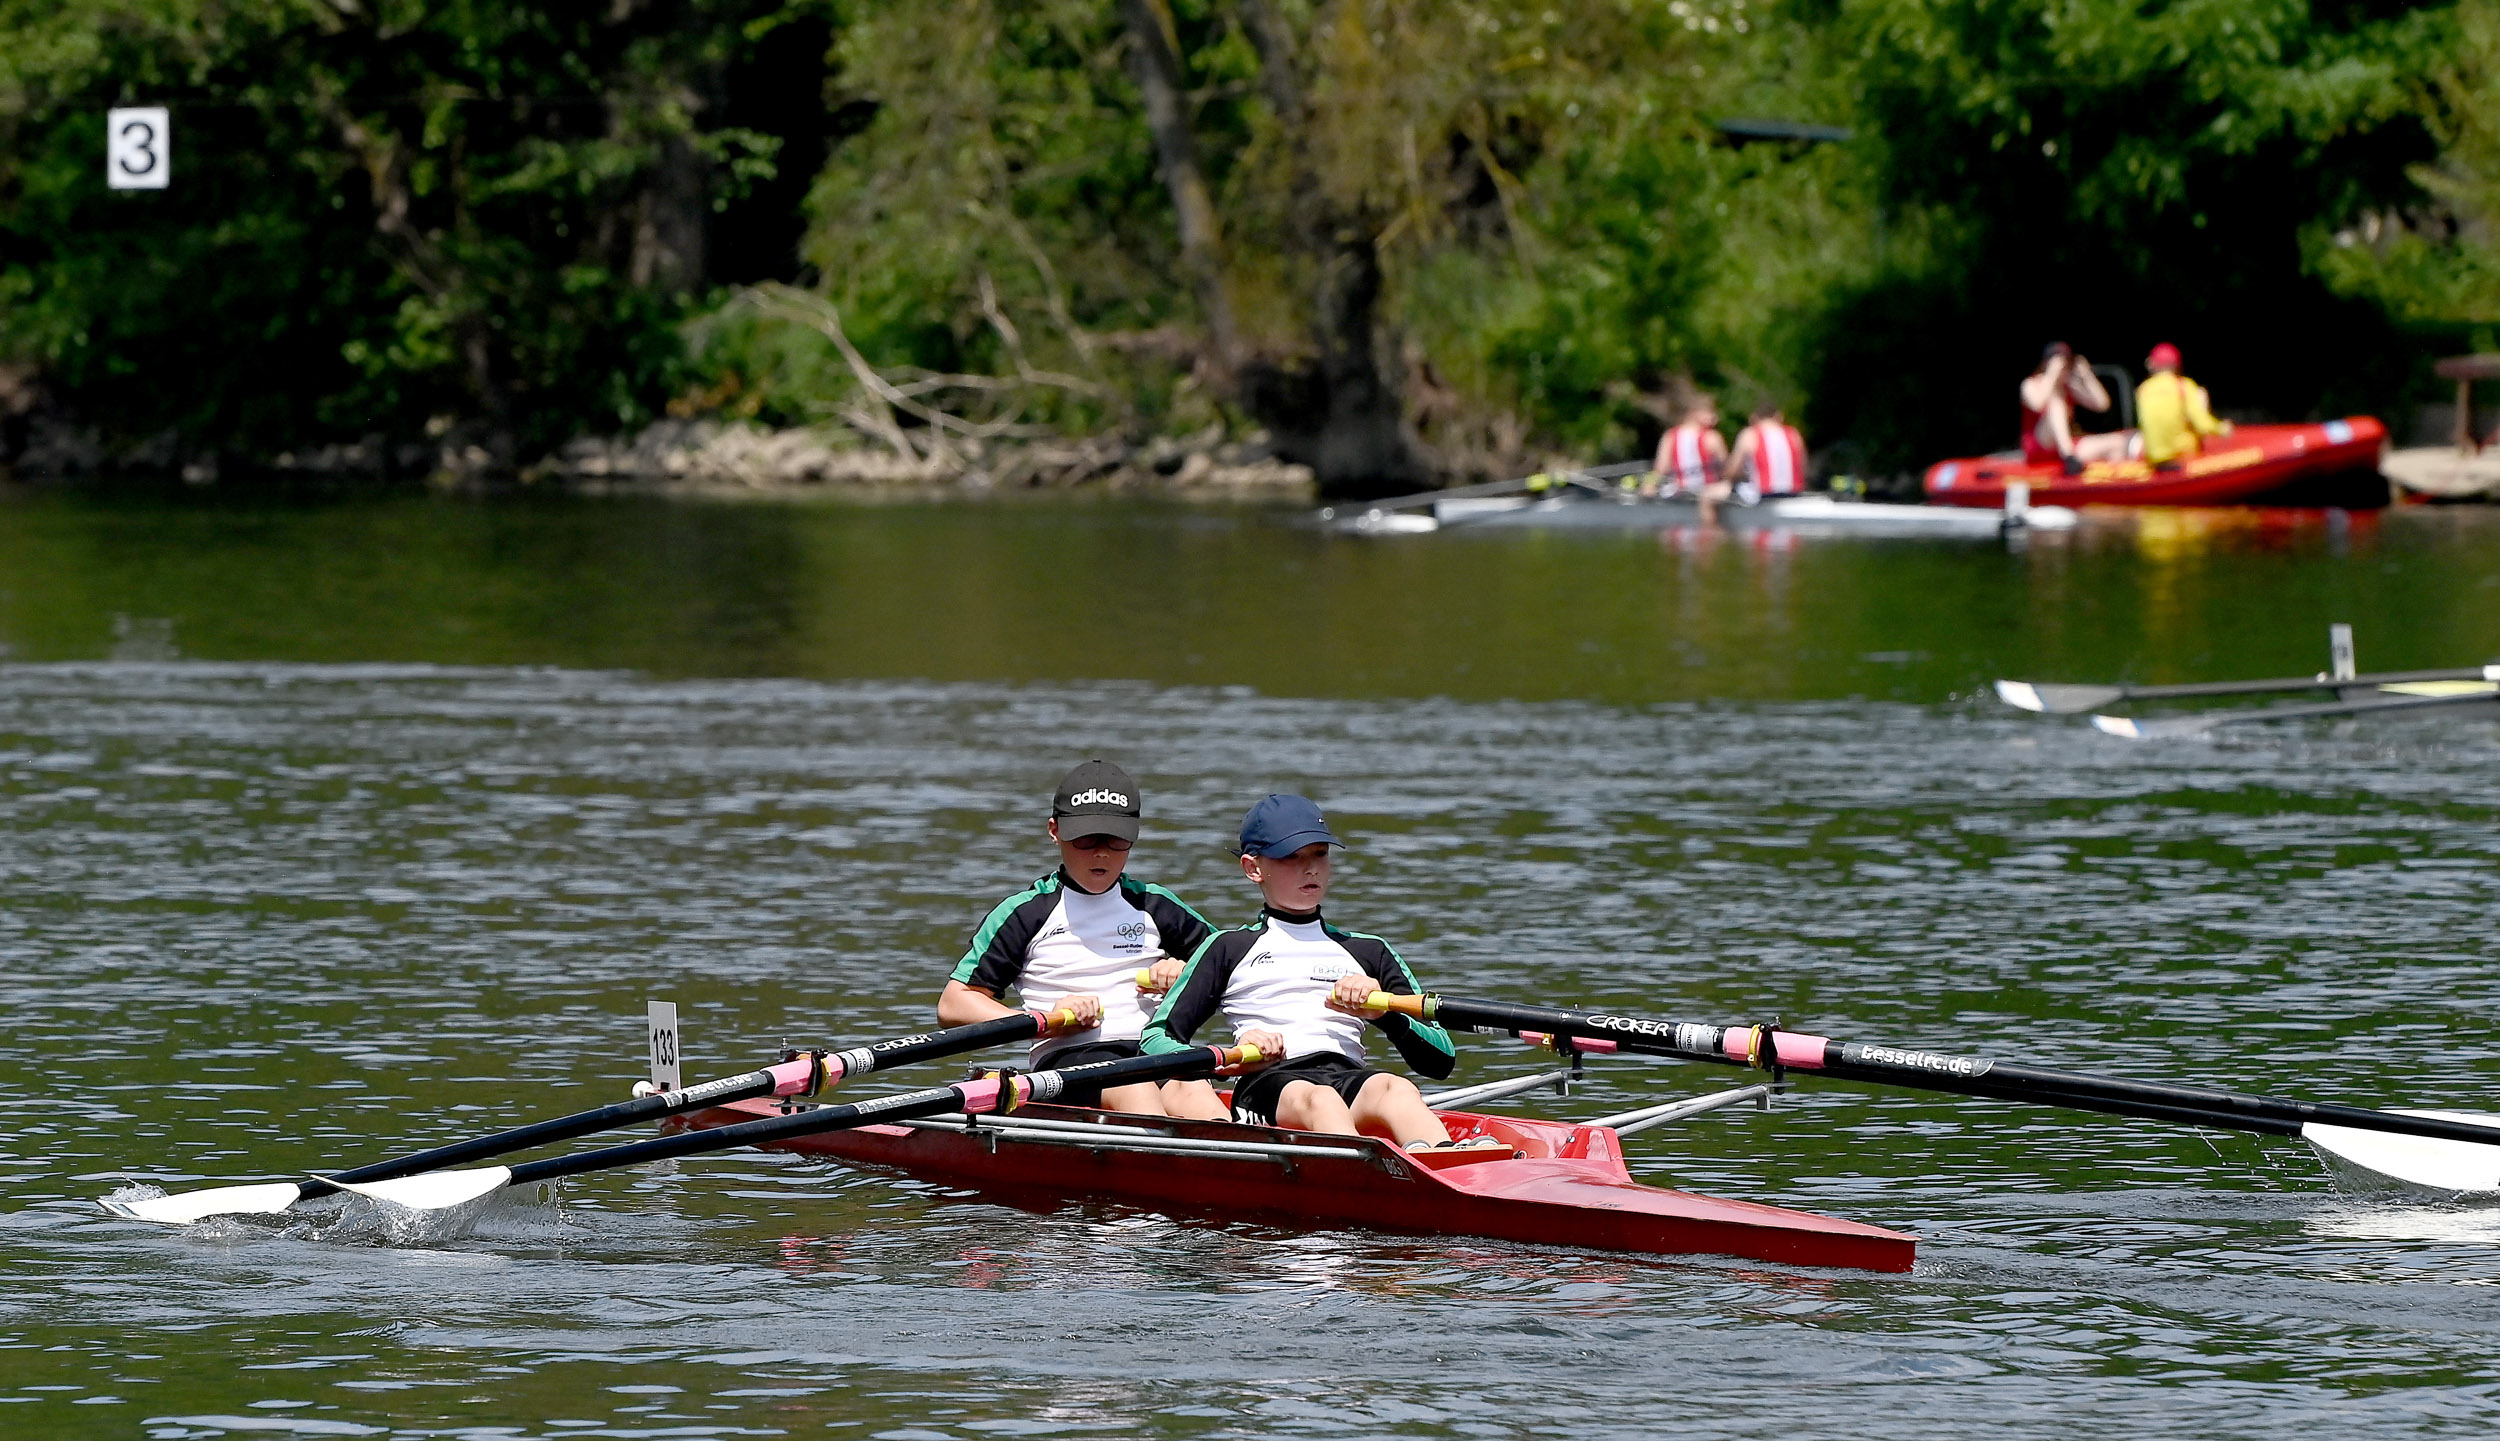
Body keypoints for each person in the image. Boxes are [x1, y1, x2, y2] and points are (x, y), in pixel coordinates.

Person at [1142, 794, 1495, 1151]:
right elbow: (1155, 1041)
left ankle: (1446, 1162)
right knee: (1320, 1101)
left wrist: (1384, 1014)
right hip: (1267, 1086)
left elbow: (1440, 1060)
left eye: (1319, 854)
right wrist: (1228, 1059)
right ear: (1253, 868)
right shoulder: (1227, 948)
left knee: (1396, 1087)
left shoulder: (1370, 950)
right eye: (1291, 857)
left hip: (1348, 1078)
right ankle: (1373, 1179)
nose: (1310, 868)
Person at [940, 760, 1229, 1119]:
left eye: (1116, 839)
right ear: (1054, 831)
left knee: (1194, 1088)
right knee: (1134, 1088)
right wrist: (1044, 1018)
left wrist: (1187, 973)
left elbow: (1237, 973)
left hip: (1155, 1049)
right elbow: (954, 1004)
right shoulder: (1026, 913)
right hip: (1068, 1063)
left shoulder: (1156, 905)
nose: (1102, 852)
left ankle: (1232, 1155)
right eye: (1086, 838)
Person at [2020, 342, 2127, 473]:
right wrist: (2052, 374)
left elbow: (2102, 404)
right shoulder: (2030, 384)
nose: (2063, 368)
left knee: (2117, 443)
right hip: (2040, 448)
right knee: (2056, 403)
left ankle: (2113, 486)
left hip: (2066, 449)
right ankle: (2068, 455)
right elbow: (2038, 404)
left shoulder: (2069, 387)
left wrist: (2087, 376)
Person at [2134, 342, 2231, 468]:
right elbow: (2202, 423)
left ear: (2152, 365)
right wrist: (2223, 429)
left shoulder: (2143, 389)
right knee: (2201, 394)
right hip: (2182, 456)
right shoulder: (2183, 385)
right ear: (2177, 365)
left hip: (2153, 458)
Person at [1646, 397, 1728, 501]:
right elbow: (1726, 469)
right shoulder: (1712, 437)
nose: (1715, 418)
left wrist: (1648, 485)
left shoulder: (1670, 436)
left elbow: (1660, 469)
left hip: (1679, 493)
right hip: (1707, 492)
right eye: (1710, 412)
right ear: (1695, 412)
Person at [1727, 403, 1809, 501]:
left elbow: (1732, 472)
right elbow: (1804, 467)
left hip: (1763, 494)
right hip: (1794, 493)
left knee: (1715, 492)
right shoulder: (1794, 434)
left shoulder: (1750, 434)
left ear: (1753, 418)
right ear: (1779, 416)